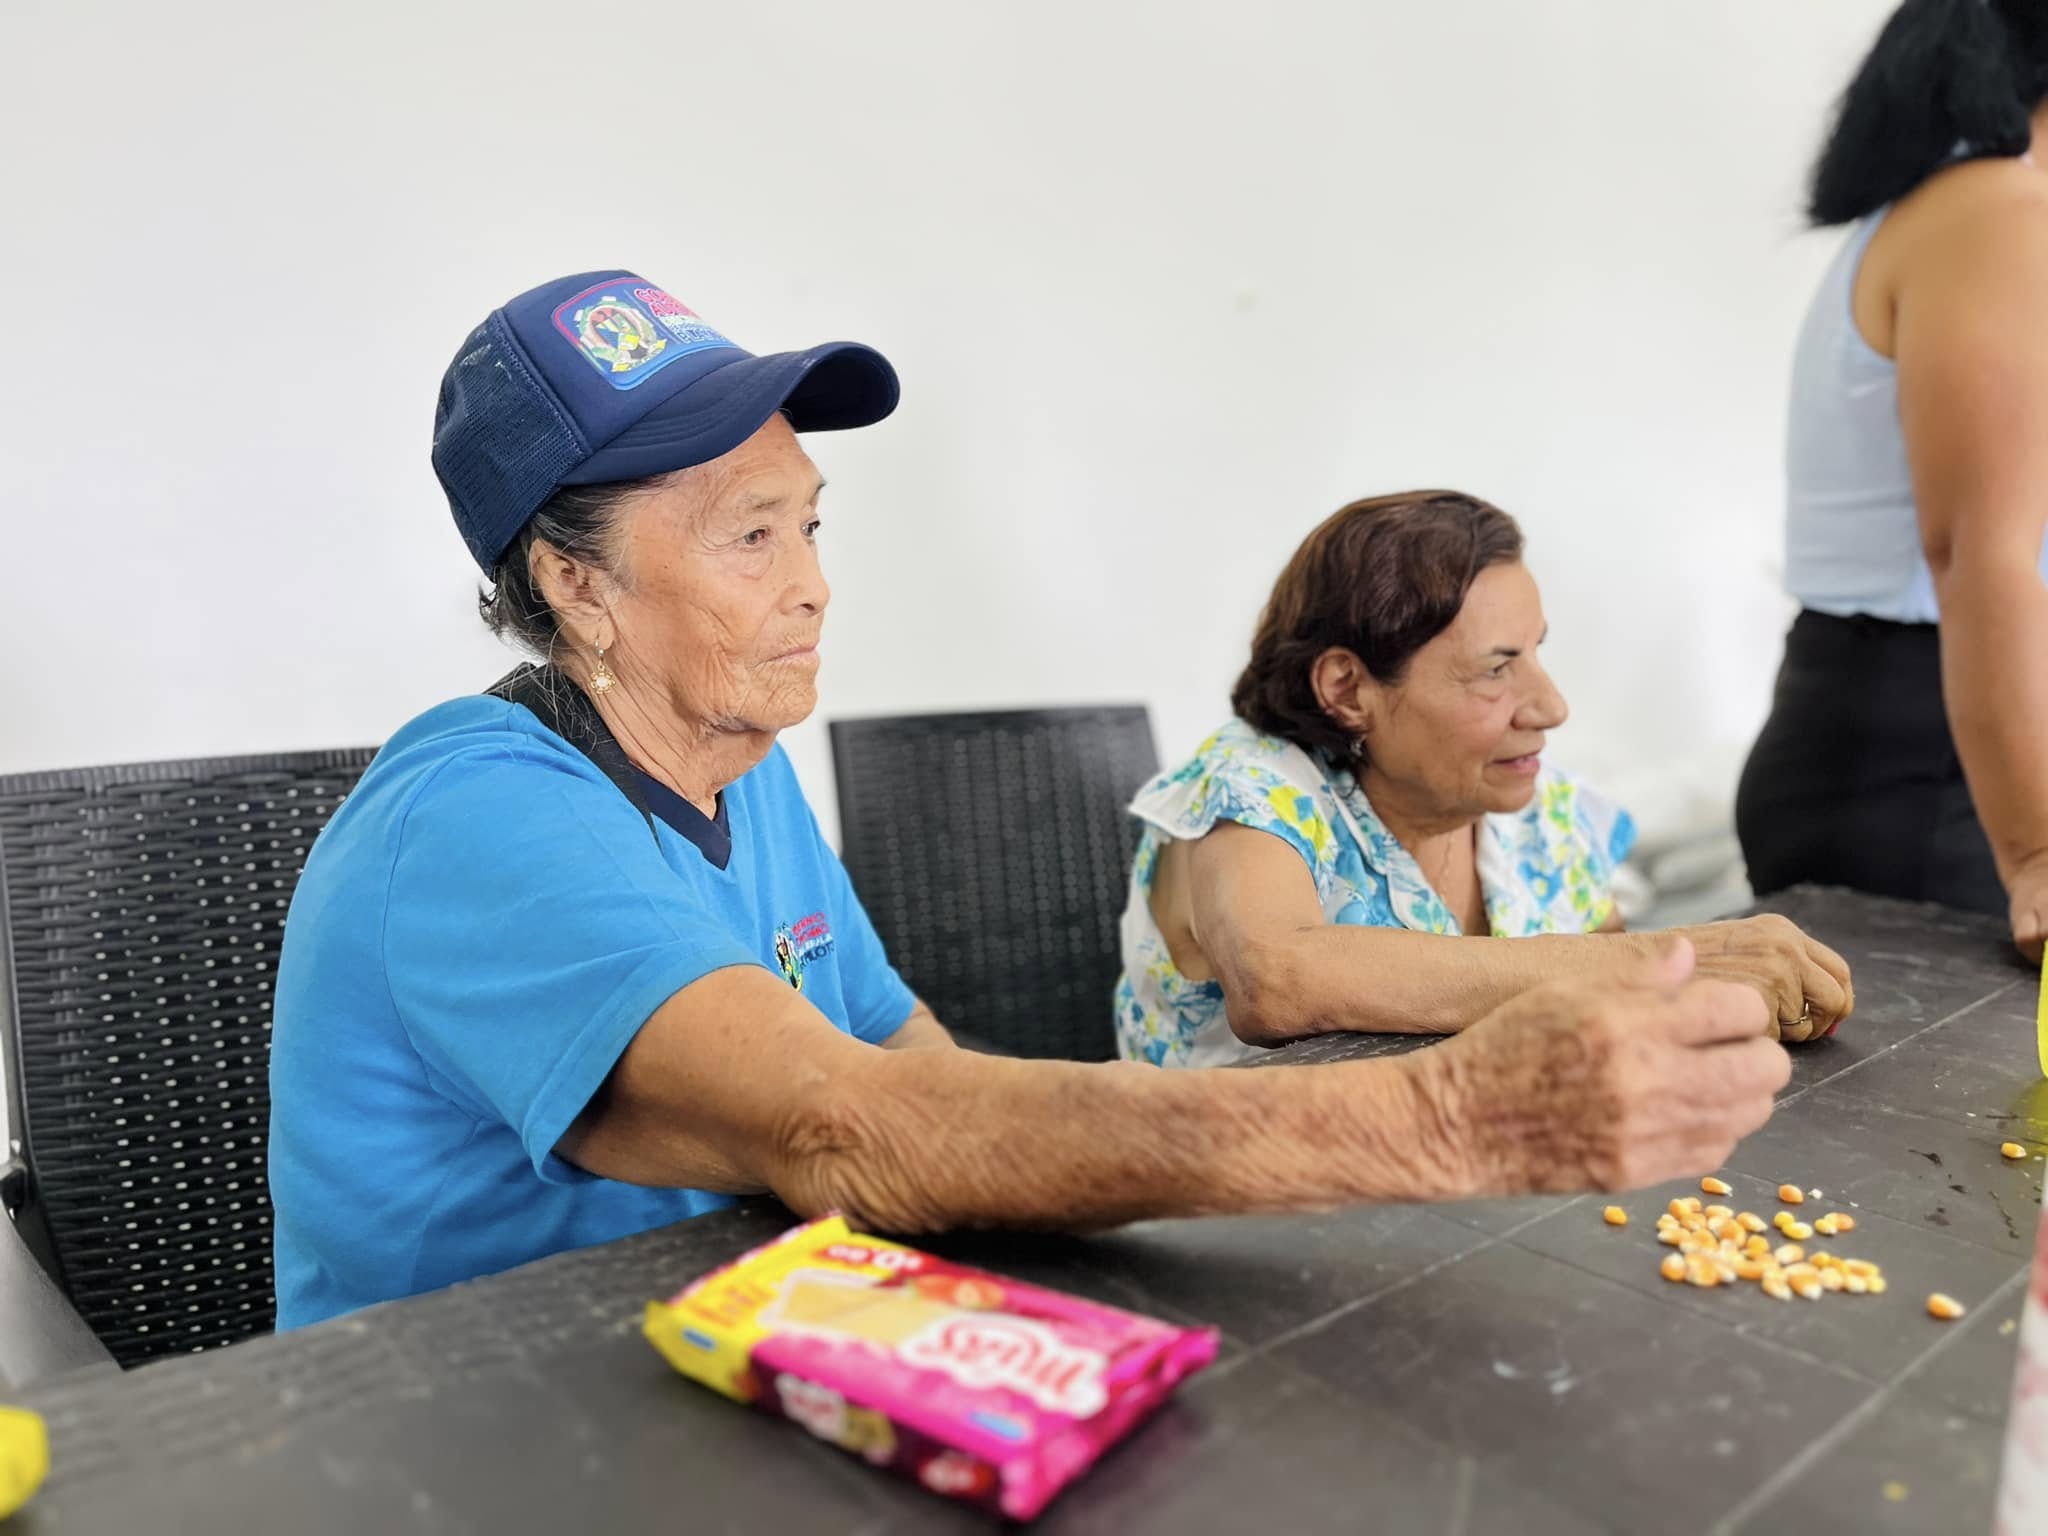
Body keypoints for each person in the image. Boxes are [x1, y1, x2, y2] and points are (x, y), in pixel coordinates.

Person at [269, 270, 1800, 1329]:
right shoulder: (476, 816)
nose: (813, 587)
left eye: (811, 526)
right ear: (576, 586)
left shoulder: (740, 766)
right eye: (750, 539)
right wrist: (1450, 1117)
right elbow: (848, 1125)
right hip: (471, 1422)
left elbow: (899, 1049)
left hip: (738, 1339)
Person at [1116, 493, 1856, 1067]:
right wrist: (1669, 962)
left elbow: (1615, 1017)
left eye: (1535, 653)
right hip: (1231, 1200)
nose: (1551, 706)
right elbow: (1276, 980)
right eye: (1497, 668)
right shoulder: (1249, 786)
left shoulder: (1534, 807)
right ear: (1347, 688)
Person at [1736, 0, 2048, 960]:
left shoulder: (1957, 208)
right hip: (1923, 774)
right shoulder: (1995, 212)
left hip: (1915, 748)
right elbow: (1976, 555)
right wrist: (2036, 851)